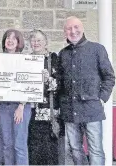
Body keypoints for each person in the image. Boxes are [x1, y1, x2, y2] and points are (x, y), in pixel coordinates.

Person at [57, 16, 115, 165]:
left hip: (91, 109)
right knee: (75, 148)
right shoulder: (62, 54)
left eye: (76, 27)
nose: (73, 31)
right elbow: (59, 82)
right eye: (69, 29)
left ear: (82, 29)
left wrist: (102, 98)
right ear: (65, 32)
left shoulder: (97, 49)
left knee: (95, 149)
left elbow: (109, 77)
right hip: (70, 110)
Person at [0, 29, 31, 165]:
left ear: (19, 42)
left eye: (14, 38)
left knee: (19, 145)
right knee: (7, 145)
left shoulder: (26, 60)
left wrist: (21, 105)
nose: (10, 40)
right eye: (8, 37)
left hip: (20, 107)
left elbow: (29, 84)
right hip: (2, 107)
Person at [27, 29, 62, 165]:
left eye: (39, 40)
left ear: (46, 42)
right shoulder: (27, 59)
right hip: (32, 109)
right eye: (33, 40)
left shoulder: (53, 59)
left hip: (49, 110)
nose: (36, 43)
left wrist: (48, 80)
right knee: (34, 147)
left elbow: (60, 84)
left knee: (50, 148)